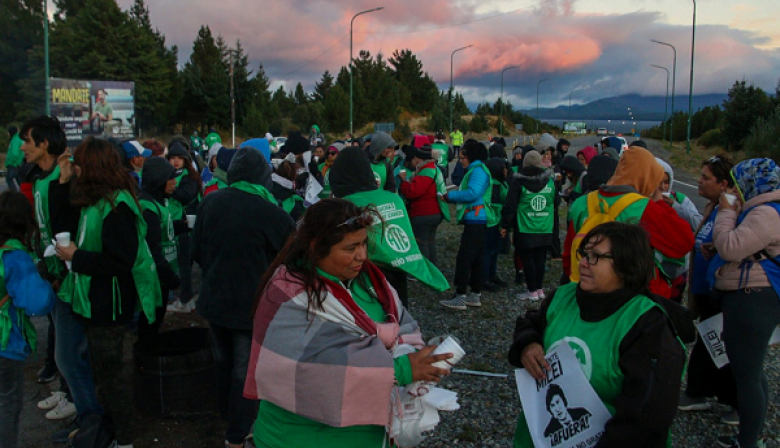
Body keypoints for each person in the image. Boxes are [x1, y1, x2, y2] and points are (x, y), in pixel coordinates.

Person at [244, 198, 452, 448]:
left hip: (367, 432)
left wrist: (418, 356)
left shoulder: (373, 283)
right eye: (350, 247)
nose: (362, 256)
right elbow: (317, 370)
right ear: (316, 246)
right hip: (300, 437)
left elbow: (404, 326)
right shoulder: (288, 295)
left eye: (364, 243)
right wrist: (402, 369)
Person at [509, 222, 686, 447]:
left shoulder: (647, 325)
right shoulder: (563, 297)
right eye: (584, 253)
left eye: (595, 257)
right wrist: (528, 344)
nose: (583, 263)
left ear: (625, 265)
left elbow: (648, 416)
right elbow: (529, 323)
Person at [55, 137, 161, 448]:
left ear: (93, 168)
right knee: (102, 373)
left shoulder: (118, 205)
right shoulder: (96, 199)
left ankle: (125, 440)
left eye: (78, 164)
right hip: (94, 300)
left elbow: (121, 259)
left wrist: (77, 257)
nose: (74, 168)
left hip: (110, 304)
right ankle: (112, 431)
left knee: (111, 376)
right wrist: (62, 183)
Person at [192, 148, 295, 448]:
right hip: (249, 309)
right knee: (245, 373)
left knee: (223, 363)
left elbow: (196, 252)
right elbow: (290, 260)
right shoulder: (271, 212)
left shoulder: (209, 202)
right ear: (264, 177)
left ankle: (227, 415)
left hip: (213, 301)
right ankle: (237, 435)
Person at [20, 116, 89, 431]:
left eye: (27, 141)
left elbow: (71, 228)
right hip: (50, 274)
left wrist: (62, 272)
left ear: (43, 144)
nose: (22, 147)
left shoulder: (63, 180)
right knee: (63, 347)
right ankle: (68, 394)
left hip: (67, 279)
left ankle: (86, 411)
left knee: (69, 352)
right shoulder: (40, 178)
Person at [708, 158, 780, 448]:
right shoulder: (765, 211)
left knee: (748, 375)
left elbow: (730, 247)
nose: (735, 191)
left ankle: (748, 442)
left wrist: (725, 211)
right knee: (751, 370)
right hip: (757, 296)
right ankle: (750, 437)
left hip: (753, 298)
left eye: (738, 185)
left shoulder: (765, 213)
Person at [562, 147, 694, 299]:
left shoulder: (582, 202)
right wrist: (659, 203)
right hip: (630, 299)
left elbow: (568, 255)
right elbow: (684, 241)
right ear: (647, 178)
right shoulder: (644, 207)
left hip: (586, 290)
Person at [329, 147, 450, 309]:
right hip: (398, 269)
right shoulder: (393, 199)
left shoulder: (345, 205)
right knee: (398, 312)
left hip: (365, 276)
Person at [678, 155, 738, 422]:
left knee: (720, 345)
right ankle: (702, 393)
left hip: (721, 290)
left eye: (705, 177)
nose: (699, 181)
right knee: (709, 342)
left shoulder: (732, 212)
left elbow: (734, 246)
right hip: (704, 289)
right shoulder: (712, 208)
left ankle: (734, 401)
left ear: (723, 183)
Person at [0, 191, 56, 448]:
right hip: (4, 342)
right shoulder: (14, 256)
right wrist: (49, 285)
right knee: (6, 404)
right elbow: (36, 302)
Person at [440, 140, 492, 310]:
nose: (460, 161)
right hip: (477, 219)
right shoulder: (478, 170)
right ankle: (474, 294)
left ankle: (460, 295)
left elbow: (473, 193)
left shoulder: (477, 171)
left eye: (462, 157)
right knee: (476, 257)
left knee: (465, 257)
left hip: (476, 219)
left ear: (470, 157)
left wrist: (450, 197)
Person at [138, 157, 185, 342]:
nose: (175, 183)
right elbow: (152, 249)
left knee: (156, 321)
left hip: (161, 277)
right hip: (154, 279)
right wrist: (170, 278)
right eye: (171, 179)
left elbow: (163, 230)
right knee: (150, 323)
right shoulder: (148, 208)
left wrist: (182, 226)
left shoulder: (158, 201)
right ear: (158, 181)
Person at [501, 151, 557, 301]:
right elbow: (556, 201)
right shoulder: (550, 181)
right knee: (540, 258)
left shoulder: (518, 181)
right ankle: (539, 289)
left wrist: (505, 224)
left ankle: (531, 290)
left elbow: (510, 205)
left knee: (527, 259)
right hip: (545, 226)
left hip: (525, 225)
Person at [655, 158, 702, 303]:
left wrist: (675, 207)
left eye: (666, 181)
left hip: (679, 267)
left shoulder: (680, 199)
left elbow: (698, 223)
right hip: (656, 267)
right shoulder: (642, 200)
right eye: (658, 181)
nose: (663, 187)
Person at [165, 142, 201, 313]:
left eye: (180, 158)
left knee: (184, 264)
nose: (176, 161)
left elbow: (187, 196)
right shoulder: (166, 175)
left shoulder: (189, 177)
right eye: (172, 158)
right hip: (168, 223)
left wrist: (171, 189)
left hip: (184, 226)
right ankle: (175, 296)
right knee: (172, 261)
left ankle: (186, 298)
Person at [398, 146, 448, 266]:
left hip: (424, 213)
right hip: (435, 211)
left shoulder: (426, 171)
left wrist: (404, 182)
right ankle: (432, 268)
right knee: (430, 242)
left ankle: (424, 270)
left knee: (422, 243)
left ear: (420, 159)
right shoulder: (434, 169)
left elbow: (413, 191)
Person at [483, 157, 510, 290]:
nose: (506, 170)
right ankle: (485, 277)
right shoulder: (494, 185)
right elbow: (497, 205)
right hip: (492, 222)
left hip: (496, 221)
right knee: (488, 250)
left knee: (494, 250)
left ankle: (491, 275)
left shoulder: (500, 183)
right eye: (503, 168)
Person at [4, 126, 24, 192]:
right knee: (20, 181)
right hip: (19, 163)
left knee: (9, 178)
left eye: (8, 132)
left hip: (14, 164)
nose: (7, 134)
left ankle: (13, 194)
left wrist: (10, 162)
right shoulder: (18, 139)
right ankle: (24, 193)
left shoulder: (15, 141)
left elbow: (14, 154)